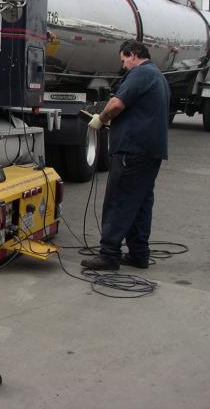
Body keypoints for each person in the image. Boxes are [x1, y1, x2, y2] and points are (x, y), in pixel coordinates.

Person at [80, 39, 170, 271]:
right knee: (140, 203)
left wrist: (101, 118)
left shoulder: (140, 73)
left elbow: (116, 104)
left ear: (133, 55)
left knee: (118, 201)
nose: (123, 66)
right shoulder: (158, 76)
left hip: (132, 150)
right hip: (150, 151)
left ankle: (109, 254)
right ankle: (139, 253)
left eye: (123, 61)